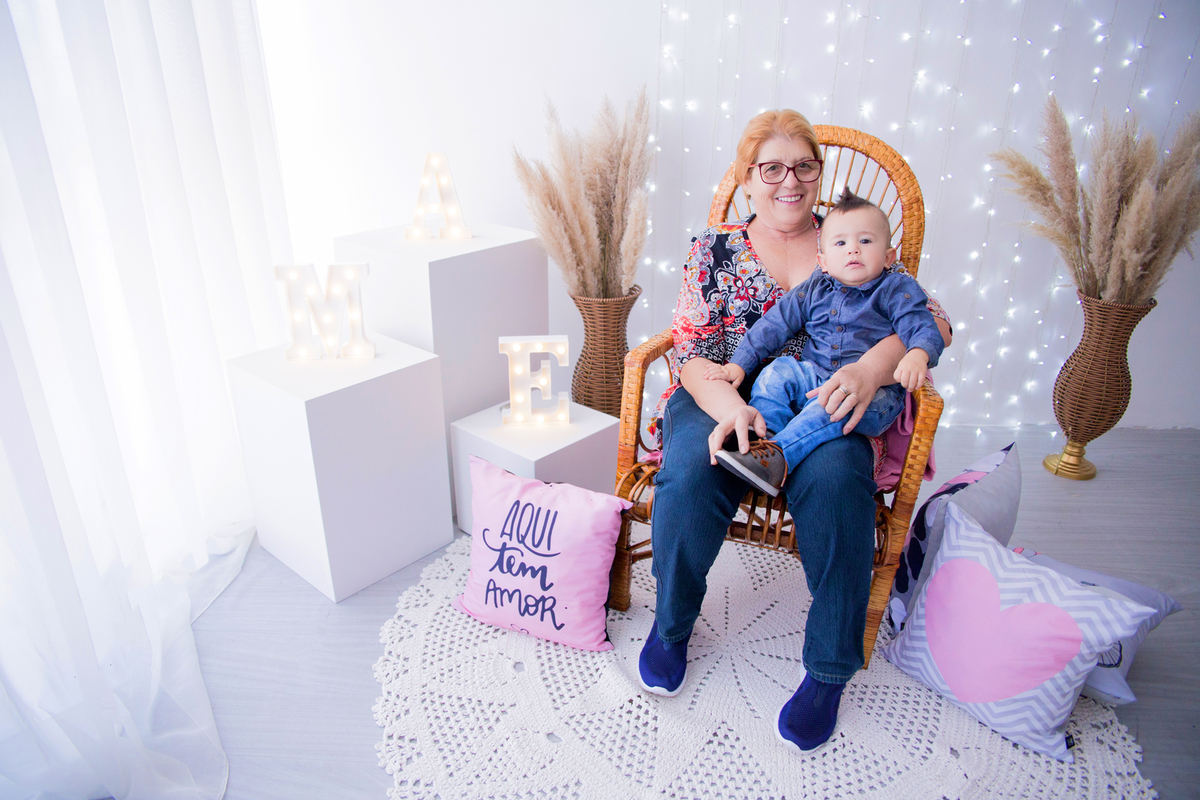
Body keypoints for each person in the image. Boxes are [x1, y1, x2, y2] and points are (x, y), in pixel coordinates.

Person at [636, 109, 952, 753]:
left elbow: (935, 322)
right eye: (771, 167)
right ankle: (671, 626)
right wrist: (731, 408)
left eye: (804, 166)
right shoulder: (713, 248)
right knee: (696, 466)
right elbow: (691, 350)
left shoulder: (848, 238)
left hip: (827, 397)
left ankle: (829, 670)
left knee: (840, 480)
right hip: (722, 390)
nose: (789, 181)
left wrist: (871, 367)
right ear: (746, 178)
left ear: (819, 175)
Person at [704, 189, 945, 497]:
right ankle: (761, 439)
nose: (853, 250)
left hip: (873, 396)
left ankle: (778, 458)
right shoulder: (816, 286)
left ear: (888, 257)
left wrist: (917, 354)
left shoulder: (896, 288)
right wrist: (740, 362)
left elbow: (922, 324)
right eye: (841, 243)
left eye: (866, 241)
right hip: (816, 376)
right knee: (777, 371)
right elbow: (776, 323)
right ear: (824, 261)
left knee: (830, 404)